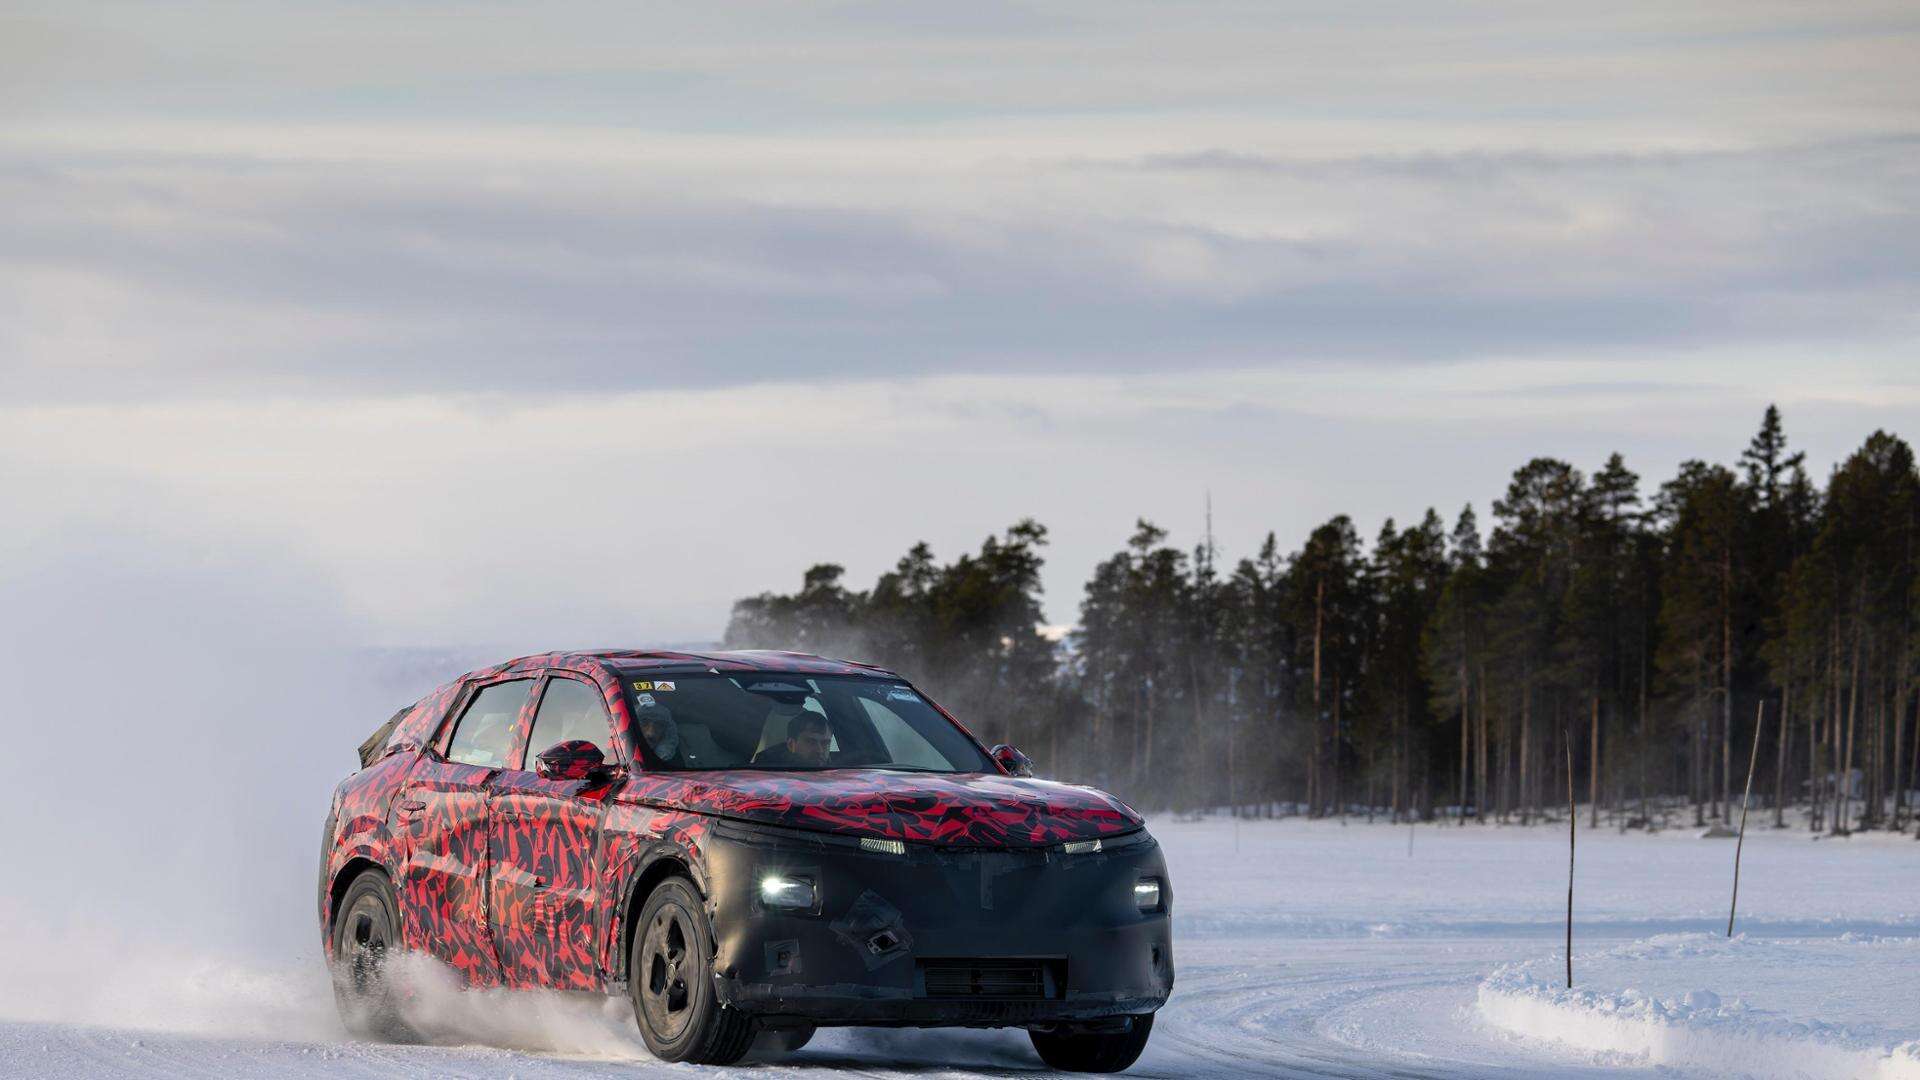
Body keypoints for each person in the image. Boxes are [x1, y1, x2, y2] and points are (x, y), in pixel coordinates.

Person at [753, 710, 832, 768]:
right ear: (791, 744)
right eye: (811, 742)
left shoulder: (840, 768)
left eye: (825, 743)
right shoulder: (764, 769)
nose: (820, 750)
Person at [635, 699, 681, 766]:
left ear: (666, 731)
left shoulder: (678, 767)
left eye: (659, 725)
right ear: (634, 725)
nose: (651, 733)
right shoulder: (617, 756)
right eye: (644, 723)